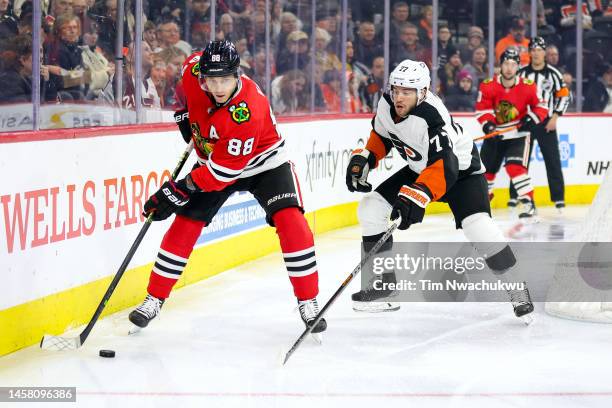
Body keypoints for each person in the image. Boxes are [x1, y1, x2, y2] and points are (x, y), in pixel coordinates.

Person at [129, 40, 327, 336]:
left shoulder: (246, 112)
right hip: (215, 159)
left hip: (264, 165)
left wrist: (177, 189)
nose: (219, 87)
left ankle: (308, 301)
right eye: (212, 80)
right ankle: (154, 299)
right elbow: (184, 79)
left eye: (225, 80)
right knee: (185, 223)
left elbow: (222, 174)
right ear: (201, 76)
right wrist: (184, 112)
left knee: (292, 222)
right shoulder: (192, 70)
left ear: (238, 75)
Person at [345, 59, 534, 321]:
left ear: (422, 92)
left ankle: (516, 286)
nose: (399, 97)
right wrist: (366, 158)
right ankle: (384, 286)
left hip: (460, 172)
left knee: (478, 226)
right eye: (396, 90)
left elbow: (446, 167)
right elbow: (382, 135)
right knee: (371, 208)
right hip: (421, 166)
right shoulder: (386, 104)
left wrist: (416, 196)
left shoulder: (433, 117)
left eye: (407, 92)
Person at [475, 48, 548, 219]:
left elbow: (542, 106)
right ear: (500, 66)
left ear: (518, 67)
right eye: (506, 64)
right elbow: (482, 109)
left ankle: (529, 204)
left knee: (515, 167)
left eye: (513, 64)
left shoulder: (528, 87)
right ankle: (484, 202)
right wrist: (488, 125)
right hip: (496, 134)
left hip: (518, 134)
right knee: (485, 172)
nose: (509, 68)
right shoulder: (488, 85)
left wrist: (531, 119)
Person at [508, 37, 570, 210]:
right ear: (529, 52)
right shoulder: (521, 73)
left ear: (544, 52)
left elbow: (564, 96)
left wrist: (555, 117)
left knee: (553, 161)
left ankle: (559, 199)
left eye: (539, 50)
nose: (536, 53)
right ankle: (515, 195)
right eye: (533, 50)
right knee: (519, 160)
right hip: (526, 124)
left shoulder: (554, 74)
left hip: (546, 124)